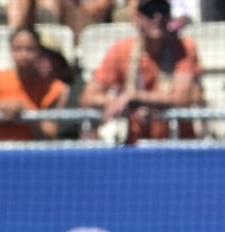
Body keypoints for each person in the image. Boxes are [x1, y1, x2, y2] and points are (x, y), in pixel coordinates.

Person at [82, 0, 202, 143]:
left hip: (177, 146)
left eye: (162, 9)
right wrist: (122, 103)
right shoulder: (121, 50)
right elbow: (87, 97)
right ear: (136, 17)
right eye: (149, 10)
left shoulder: (184, 48)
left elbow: (181, 99)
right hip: (135, 147)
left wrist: (133, 97)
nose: (157, 17)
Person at [0, 24, 65, 143]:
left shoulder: (53, 88)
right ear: (10, 50)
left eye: (29, 49)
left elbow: (50, 134)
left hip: (33, 154)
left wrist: (26, 111)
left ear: (39, 51)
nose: (23, 55)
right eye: (18, 49)